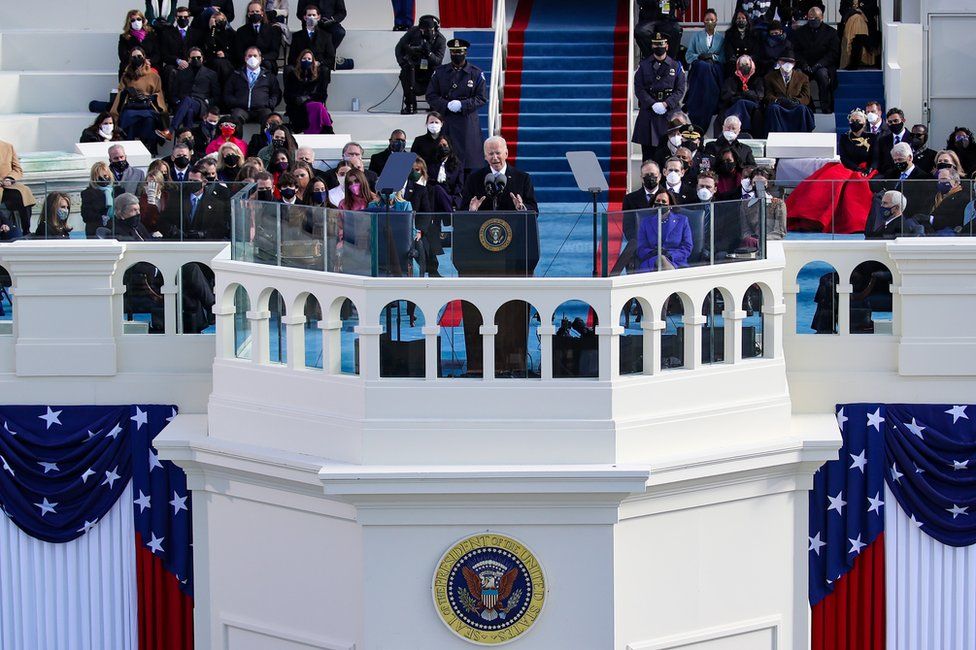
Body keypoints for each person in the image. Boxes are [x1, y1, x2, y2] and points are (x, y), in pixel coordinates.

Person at [787, 109, 879, 233]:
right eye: (852, 120)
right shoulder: (845, 137)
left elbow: (875, 157)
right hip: (848, 167)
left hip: (867, 169)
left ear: (864, 122)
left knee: (858, 185)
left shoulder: (873, 137)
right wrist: (855, 168)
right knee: (826, 182)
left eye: (858, 120)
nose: (855, 122)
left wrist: (869, 169)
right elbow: (844, 157)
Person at [426, 39, 487, 171]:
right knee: (445, 161)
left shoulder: (475, 73)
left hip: (467, 122)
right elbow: (431, 95)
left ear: (465, 53)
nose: (456, 55)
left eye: (459, 52)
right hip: (447, 120)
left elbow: (481, 98)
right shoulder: (440, 72)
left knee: (468, 164)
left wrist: (463, 104)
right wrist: (445, 104)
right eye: (453, 53)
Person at [632, 33, 686, 157]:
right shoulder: (644, 66)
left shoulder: (676, 66)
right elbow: (639, 88)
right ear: (652, 46)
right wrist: (652, 103)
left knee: (671, 154)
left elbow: (680, 89)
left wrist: (666, 104)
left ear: (667, 46)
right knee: (648, 155)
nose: (659, 46)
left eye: (661, 44)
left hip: (670, 112)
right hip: (649, 111)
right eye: (656, 44)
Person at [111, 47, 170, 154]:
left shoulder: (154, 75)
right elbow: (121, 91)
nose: (137, 59)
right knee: (128, 117)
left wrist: (149, 97)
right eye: (134, 57)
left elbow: (158, 92)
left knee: (149, 119)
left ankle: (149, 147)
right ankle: (129, 146)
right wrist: (128, 92)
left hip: (148, 106)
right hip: (131, 105)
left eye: (139, 56)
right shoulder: (126, 75)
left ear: (144, 57)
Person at [461, 136, 538, 213]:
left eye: (498, 153)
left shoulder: (522, 178)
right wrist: (471, 210)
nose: (495, 157)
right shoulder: (473, 179)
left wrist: (522, 208)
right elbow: (462, 210)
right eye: (491, 154)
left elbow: (534, 210)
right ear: (485, 157)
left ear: (506, 154)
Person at [612, 161, 660, 275]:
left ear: (660, 176)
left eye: (653, 175)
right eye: (646, 175)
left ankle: (613, 275)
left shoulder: (667, 196)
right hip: (640, 243)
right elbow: (628, 228)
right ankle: (613, 277)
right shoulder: (630, 199)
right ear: (641, 178)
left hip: (662, 243)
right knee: (632, 245)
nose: (650, 178)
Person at [870, 142, 935, 221]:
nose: (898, 163)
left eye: (900, 159)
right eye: (895, 160)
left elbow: (922, 205)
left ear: (910, 158)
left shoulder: (924, 178)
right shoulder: (891, 174)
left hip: (909, 219)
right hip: (888, 216)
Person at [790, 6, 839, 113]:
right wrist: (803, 64)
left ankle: (825, 106)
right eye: (810, 18)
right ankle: (808, 105)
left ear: (821, 18)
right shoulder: (800, 32)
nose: (812, 21)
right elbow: (796, 51)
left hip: (822, 65)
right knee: (798, 76)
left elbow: (833, 53)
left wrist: (820, 64)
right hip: (805, 64)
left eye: (815, 18)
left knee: (823, 76)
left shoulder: (831, 32)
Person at [403, 159, 447, 277]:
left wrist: (419, 230)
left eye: (417, 170)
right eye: (411, 170)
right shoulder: (403, 188)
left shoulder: (428, 188)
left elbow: (426, 212)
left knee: (424, 242)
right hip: (403, 227)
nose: (414, 173)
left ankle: (431, 270)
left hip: (421, 227)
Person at [684, 8, 725, 132]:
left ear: (716, 21)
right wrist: (699, 57)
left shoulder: (721, 38)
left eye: (712, 20)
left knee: (708, 67)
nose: (709, 22)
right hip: (699, 69)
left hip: (714, 69)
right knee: (702, 66)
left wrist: (712, 56)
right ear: (703, 21)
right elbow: (688, 56)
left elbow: (723, 57)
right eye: (707, 20)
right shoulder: (696, 36)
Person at [162, 165, 231, 238]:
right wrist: (174, 231)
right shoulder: (177, 197)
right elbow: (163, 221)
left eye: (195, 181)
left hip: (203, 246)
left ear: (204, 182)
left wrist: (202, 234)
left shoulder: (216, 203)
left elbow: (221, 228)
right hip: (178, 243)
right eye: (190, 180)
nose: (191, 183)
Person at [396, 14, 446, 115]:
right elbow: (399, 48)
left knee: (440, 75)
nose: (425, 33)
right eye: (422, 30)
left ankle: (434, 105)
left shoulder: (440, 40)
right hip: (414, 68)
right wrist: (403, 62)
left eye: (428, 30)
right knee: (405, 72)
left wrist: (429, 53)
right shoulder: (413, 31)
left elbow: (438, 61)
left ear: (435, 28)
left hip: (430, 70)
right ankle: (410, 105)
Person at [223, 47, 282, 127]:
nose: (252, 58)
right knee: (235, 118)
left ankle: (265, 139)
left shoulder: (269, 76)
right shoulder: (236, 75)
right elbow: (227, 93)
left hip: (262, 109)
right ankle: (236, 140)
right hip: (241, 109)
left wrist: (269, 104)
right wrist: (235, 102)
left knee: (269, 118)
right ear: (245, 58)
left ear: (260, 59)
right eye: (249, 56)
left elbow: (276, 93)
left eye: (255, 56)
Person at [637, 189, 692, 271]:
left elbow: (687, 247)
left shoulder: (682, 220)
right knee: (661, 259)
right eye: (658, 201)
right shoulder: (645, 222)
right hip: (652, 261)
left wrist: (670, 255)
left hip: (676, 261)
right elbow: (641, 248)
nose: (660, 203)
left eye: (664, 201)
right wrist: (654, 253)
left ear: (670, 205)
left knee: (663, 259)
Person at [170, 46, 219, 131]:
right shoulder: (181, 73)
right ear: (189, 59)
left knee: (187, 100)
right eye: (193, 58)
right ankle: (188, 139)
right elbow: (174, 93)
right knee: (189, 111)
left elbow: (217, 95)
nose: (196, 59)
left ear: (202, 58)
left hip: (202, 105)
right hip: (184, 105)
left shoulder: (211, 74)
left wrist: (208, 101)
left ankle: (171, 129)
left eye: (198, 57)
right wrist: (177, 102)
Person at [763, 50, 814, 133]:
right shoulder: (769, 77)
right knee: (773, 108)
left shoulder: (803, 77)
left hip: (795, 105)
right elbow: (768, 94)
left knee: (802, 109)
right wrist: (777, 100)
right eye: (784, 61)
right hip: (779, 105)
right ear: (779, 62)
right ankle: (777, 135)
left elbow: (806, 96)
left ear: (794, 64)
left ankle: (802, 135)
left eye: (790, 62)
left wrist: (797, 101)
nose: (787, 64)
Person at [284, 49, 332, 134]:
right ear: (300, 60)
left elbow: (322, 95)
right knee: (319, 107)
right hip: (297, 105)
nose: (307, 61)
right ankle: (328, 130)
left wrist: (308, 98)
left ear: (313, 61)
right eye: (304, 59)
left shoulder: (318, 75)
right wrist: (298, 99)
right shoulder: (292, 75)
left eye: (309, 59)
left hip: (313, 102)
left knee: (318, 106)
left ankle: (319, 131)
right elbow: (287, 95)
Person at [737, 166, 786, 247]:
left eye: (762, 182)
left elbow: (780, 232)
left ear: (768, 184)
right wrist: (750, 239)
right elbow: (745, 230)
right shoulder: (745, 204)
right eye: (755, 182)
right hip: (751, 245)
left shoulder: (778, 204)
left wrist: (761, 241)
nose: (758, 185)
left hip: (771, 245)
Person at [717, 56, 765, 137]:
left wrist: (744, 94)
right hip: (735, 105)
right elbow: (727, 96)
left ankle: (744, 129)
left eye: (747, 64)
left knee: (742, 103)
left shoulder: (757, 79)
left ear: (751, 65)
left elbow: (759, 96)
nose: (745, 66)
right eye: (742, 64)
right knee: (739, 103)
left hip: (753, 106)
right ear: (738, 65)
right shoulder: (731, 79)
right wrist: (743, 95)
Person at [191, 10, 236, 86]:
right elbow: (210, 46)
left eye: (221, 20)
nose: (219, 22)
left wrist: (225, 54)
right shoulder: (205, 34)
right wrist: (213, 28)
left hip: (228, 61)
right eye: (216, 20)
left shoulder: (231, 33)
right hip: (211, 61)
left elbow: (235, 51)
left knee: (223, 65)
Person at [921, 167, 971, 234]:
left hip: (950, 232)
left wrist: (931, 219)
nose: (940, 182)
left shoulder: (964, 197)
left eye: (944, 179)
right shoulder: (935, 196)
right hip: (929, 229)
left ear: (956, 182)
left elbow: (956, 220)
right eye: (939, 180)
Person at [235, 2, 282, 71]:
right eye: (252, 12)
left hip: (265, 61)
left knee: (267, 64)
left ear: (262, 13)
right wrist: (250, 59)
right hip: (246, 61)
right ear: (248, 14)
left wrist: (260, 58)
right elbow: (239, 51)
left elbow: (274, 52)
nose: (255, 14)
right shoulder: (241, 31)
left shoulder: (272, 30)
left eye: (257, 11)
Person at [290, 3, 337, 68]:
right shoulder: (296, 36)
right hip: (301, 67)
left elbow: (331, 58)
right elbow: (291, 58)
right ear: (305, 17)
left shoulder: (326, 36)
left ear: (318, 17)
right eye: (309, 15)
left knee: (325, 70)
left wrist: (319, 63)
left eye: (314, 15)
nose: (311, 17)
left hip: (318, 67)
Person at [118, 9, 160, 79]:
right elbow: (123, 55)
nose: (136, 22)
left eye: (138, 19)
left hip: (150, 64)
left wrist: (149, 61)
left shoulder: (151, 34)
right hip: (132, 65)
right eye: (133, 20)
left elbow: (157, 54)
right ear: (129, 23)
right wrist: (139, 61)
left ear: (143, 20)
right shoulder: (124, 37)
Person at [839, 0, 879, 69]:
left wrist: (861, 11)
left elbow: (874, 9)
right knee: (856, 18)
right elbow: (842, 10)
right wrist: (854, 12)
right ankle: (864, 50)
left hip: (866, 21)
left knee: (857, 19)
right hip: (850, 19)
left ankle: (852, 58)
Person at [429, 134, 465, 210]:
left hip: (451, 196)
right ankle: (450, 218)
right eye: (440, 146)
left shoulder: (457, 165)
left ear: (449, 146)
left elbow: (460, 184)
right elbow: (429, 181)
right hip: (434, 197)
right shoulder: (431, 164)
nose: (442, 147)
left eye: (445, 145)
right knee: (437, 189)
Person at [872, 108, 909, 177]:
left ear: (903, 120)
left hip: (907, 177)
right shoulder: (883, 140)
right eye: (890, 122)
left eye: (896, 121)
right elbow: (879, 161)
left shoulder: (911, 138)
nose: (893, 124)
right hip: (887, 178)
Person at [81, 163, 115, 238]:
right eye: (100, 177)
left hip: (114, 229)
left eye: (105, 176)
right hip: (95, 231)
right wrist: (101, 217)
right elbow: (86, 215)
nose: (103, 179)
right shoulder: (88, 193)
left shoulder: (116, 191)